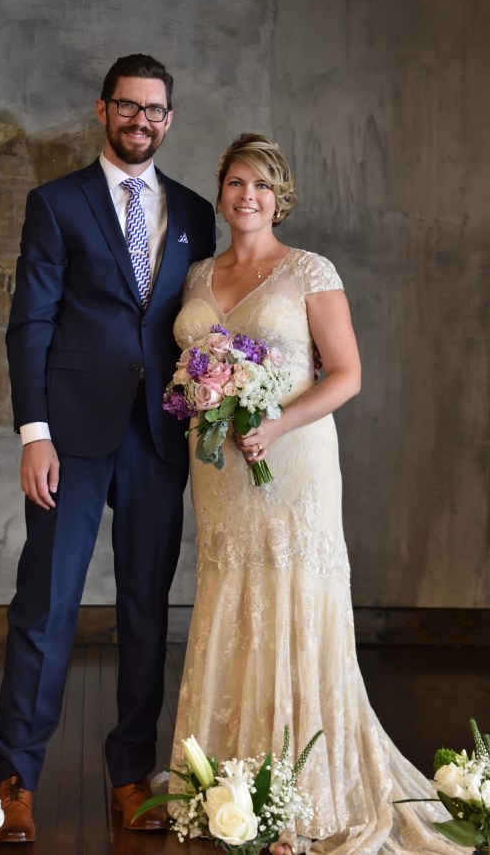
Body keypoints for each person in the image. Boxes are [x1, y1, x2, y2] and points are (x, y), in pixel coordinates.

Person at [170, 134, 462, 853]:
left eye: (262, 185)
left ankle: (301, 790)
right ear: (221, 191)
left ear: (280, 198)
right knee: (230, 594)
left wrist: (275, 421)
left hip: (291, 462)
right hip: (218, 471)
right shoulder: (198, 273)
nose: (248, 196)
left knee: (293, 597)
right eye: (237, 182)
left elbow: (347, 374)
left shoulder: (308, 270)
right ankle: (230, 787)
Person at [0, 53, 216, 841]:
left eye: (154, 110)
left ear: (168, 119)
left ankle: (131, 776)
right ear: (103, 110)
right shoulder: (56, 204)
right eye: (128, 106)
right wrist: (35, 434)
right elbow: (30, 324)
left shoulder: (196, 213)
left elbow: (201, 321)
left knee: (146, 612)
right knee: (46, 606)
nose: (140, 121)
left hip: (159, 434)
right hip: (71, 437)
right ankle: (16, 781)